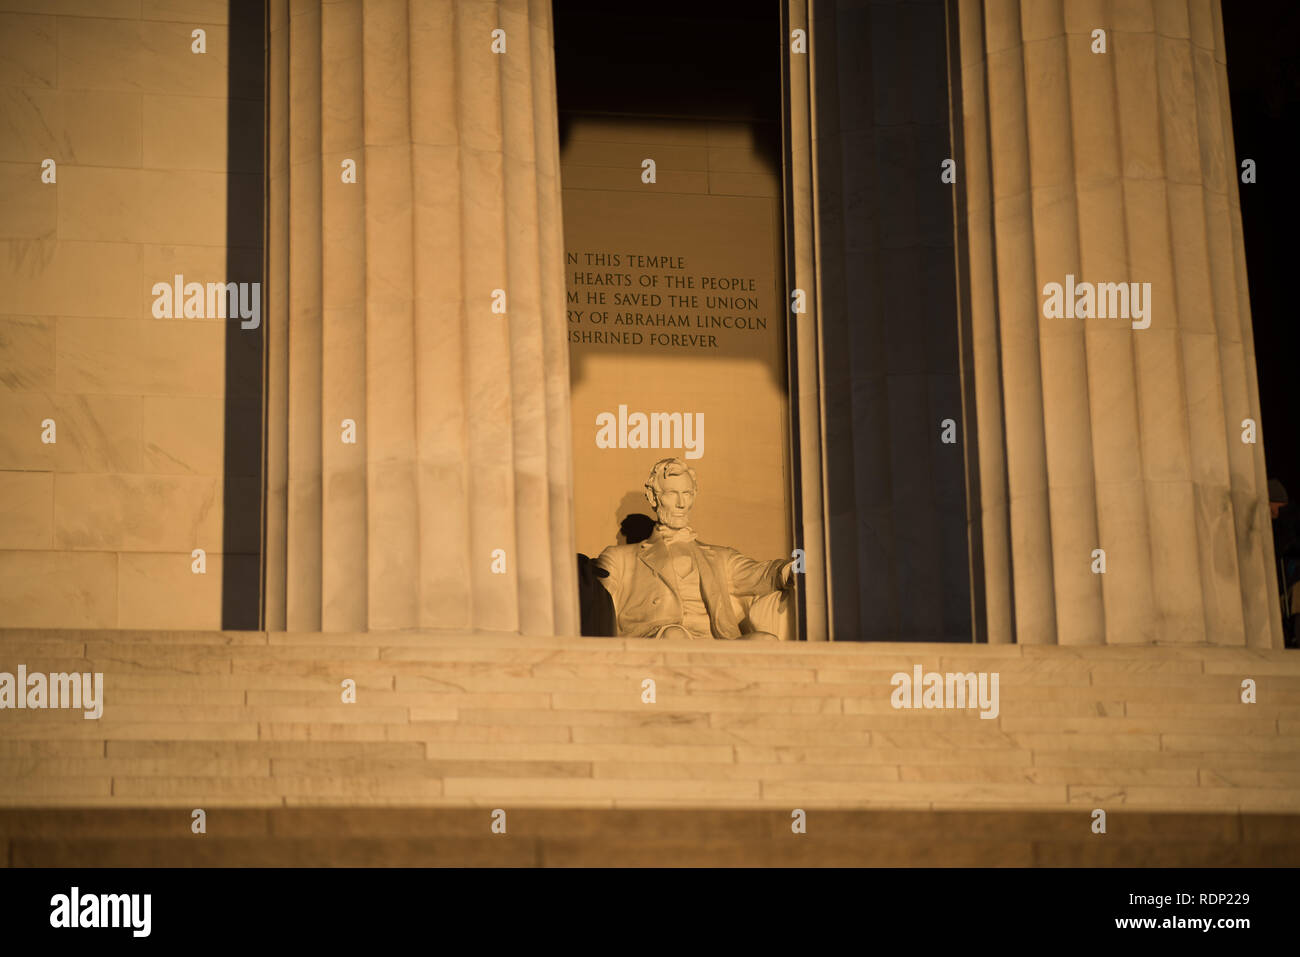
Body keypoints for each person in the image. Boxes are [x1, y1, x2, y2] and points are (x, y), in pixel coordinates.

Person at [594, 458, 794, 640]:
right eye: (672, 494)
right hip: (657, 639)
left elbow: (762, 573)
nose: (681, 504)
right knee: (674, 634)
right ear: (653, 497)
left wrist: (793, 570)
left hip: (717, 642)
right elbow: (594, 605)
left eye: (687, 494)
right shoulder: (620, 558)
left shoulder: (720, 557)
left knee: (765, 640)